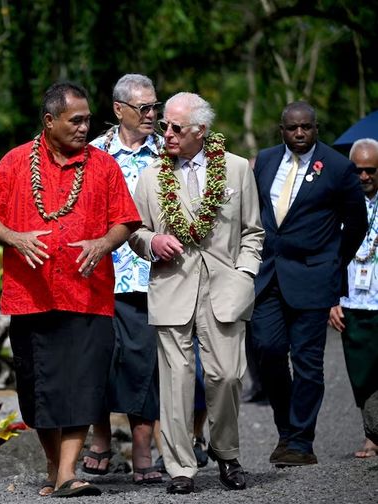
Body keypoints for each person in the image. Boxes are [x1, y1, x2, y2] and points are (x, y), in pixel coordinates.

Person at [0, 81, 140, 498]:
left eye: (87, 120)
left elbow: (126, 221)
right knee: (38, 388)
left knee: (83, 385)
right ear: (49, 121)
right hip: (32, 297)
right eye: (76, 120)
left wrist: (103, 244)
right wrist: (14, 237)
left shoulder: (103, 166)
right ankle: (53, 467)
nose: (85, 128)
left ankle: (68, 473)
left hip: (89, 297)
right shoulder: (14, 162)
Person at [129, 92, 264, 494]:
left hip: (226, 289)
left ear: (201, 131)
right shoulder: (152, 175)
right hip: (172, 287)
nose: (165, 132)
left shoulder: (237, 169)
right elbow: (133, 230)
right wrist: (152, 241)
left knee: (226, 376)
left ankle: (226, 453)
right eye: (164, 125)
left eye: (175, 127)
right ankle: (181, 468)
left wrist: (244, 274)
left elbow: (254, 231)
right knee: (176, 381)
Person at [251, 101, 368, 467]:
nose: (299, 134)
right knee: (266, 351)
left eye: (306, 127)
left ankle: (300, 442)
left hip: (314, 277)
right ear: (281, 129)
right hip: (268, 274)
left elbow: (357, 223)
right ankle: (287, 428)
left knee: (306, 362)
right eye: (292, 128)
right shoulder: (267, 161)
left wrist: (334, 263)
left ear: (316, 128)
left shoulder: (336, 166)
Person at [81, 74, 164, 484]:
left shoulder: (167, 154)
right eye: (143, 108)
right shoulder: (93, 154)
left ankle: (143, 448)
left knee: (141, 362)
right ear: (119, 109)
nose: (152, 115)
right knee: (96, 360)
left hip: (152, 277)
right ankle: (100, 439)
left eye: (155, 107)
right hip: (97, 275)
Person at [328, 137, 378, 459]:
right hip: (352, 301)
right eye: (357, 170)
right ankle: (372, 436)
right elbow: (327, 255)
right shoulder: (336, 204)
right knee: (362, 374)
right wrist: (332, 299)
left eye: (371, 170)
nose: (364, 177)